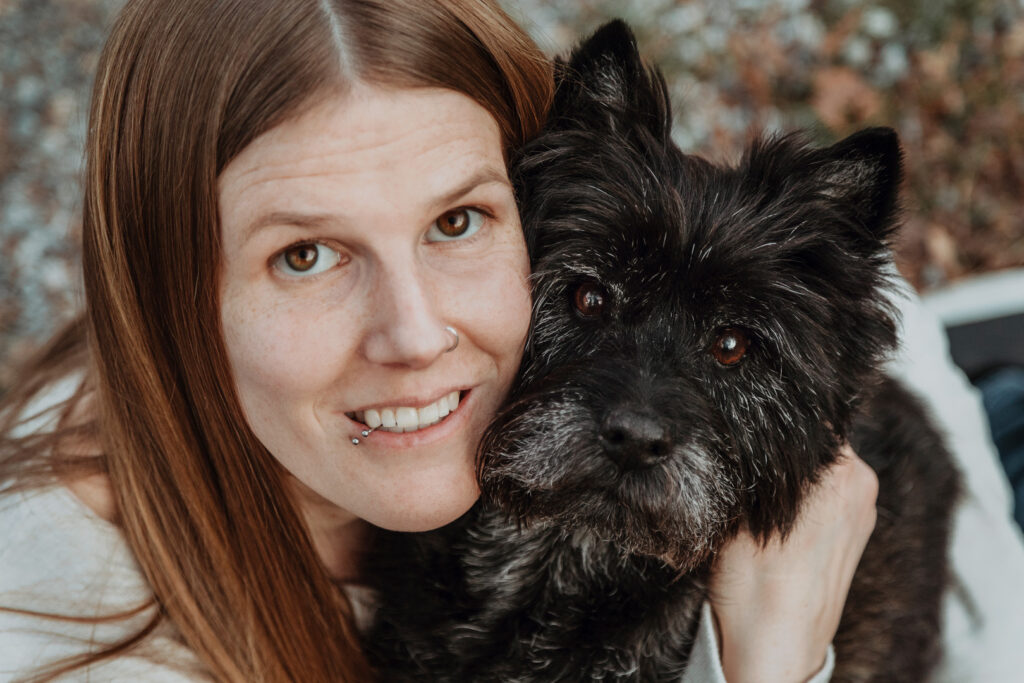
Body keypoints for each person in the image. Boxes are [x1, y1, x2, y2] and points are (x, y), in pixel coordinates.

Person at [0, 1, 1021, 681]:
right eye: (304, 253)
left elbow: (888, 333)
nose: (414, 334)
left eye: (455, 222)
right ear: (167, 286)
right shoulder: (75, 631)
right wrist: (774, 657)